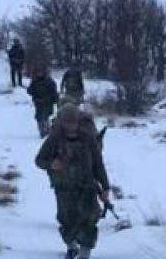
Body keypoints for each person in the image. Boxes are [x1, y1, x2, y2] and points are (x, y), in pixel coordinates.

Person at [35, 102, 110, 259]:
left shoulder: (88, 139)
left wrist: (105, 187)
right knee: (67, 221)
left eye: (73, 122)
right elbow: (39, 160)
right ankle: (71, 247)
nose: (70, 126)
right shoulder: (54, 139)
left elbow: (98, 164)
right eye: (67, 122)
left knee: (89, 220)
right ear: (61, 122)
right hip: (64, 188)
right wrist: (51, 164)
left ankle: (84, 254)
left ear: (79, 121)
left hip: (87, 187)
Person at [27, 66, 59, 138]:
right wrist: (33, 92)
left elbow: (53, 92)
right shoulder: (34, 81)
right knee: (39, 117)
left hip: (47, 102)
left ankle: (47, 130)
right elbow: (29, 90)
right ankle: (42, 131)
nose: (39, 74)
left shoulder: (49, 82)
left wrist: (55, 100)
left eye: (41, 72)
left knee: (45, 117)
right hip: (38, 102)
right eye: (38, 72)